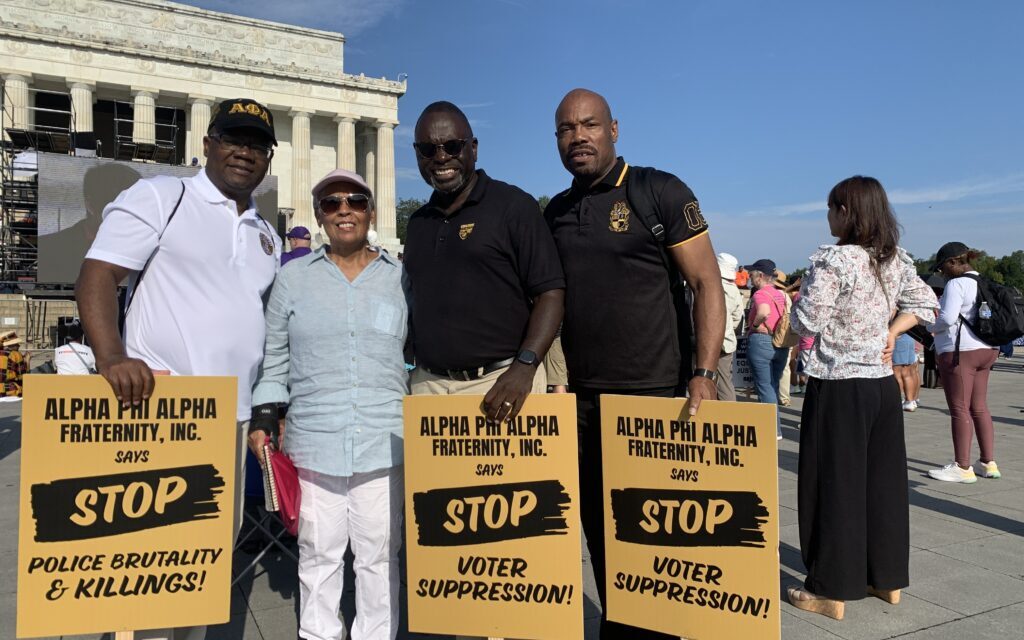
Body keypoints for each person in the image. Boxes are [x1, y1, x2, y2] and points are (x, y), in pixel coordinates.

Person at [76, 98, 281, 640]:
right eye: (233, 138)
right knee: (148, 558)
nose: (245, 152)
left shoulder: (267, 235)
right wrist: (113, 357)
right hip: (163, 411)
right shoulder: (162, 196)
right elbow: (97, 275)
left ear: (269, 158)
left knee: (206, 559)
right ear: (208, 143)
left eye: (257, 144)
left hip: (231, 419)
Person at [545, 88, 725, 639]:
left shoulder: (658, 191)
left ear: (614, 129)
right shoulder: (554, 211)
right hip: (581, 403)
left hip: (654, 396)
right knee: (600, 533)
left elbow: (707, 283)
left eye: (590, 125)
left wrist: (704, 372)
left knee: (653, 540)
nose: (579, 137)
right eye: (566, 129)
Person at [250, 169, 406, 640]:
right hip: (315, 441)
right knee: (319, 554)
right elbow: (273, 357)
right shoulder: (292, 279)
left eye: (355, 201)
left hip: (384, 440)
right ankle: (318, 634)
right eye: (331, 202)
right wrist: (264, 417)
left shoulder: (400, 279)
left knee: (379, 556)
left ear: (370, 212)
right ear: (318, 215)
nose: (344, 210)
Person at [788, 176, 937, 621]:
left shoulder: (835, 260)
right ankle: (885, 577)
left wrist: (791, 316)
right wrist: (890, 332)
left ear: (846, 212)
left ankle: (830, 587)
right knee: (883, 484)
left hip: (838, 385)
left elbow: (808, 320)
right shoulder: (893, 260)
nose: (829, 217)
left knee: (834, 482)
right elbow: (925, 304)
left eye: (832, 208)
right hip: (880, 386)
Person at [403, 101, 564, 421]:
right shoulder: (418, 222)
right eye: (427, 149)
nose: (440, 157)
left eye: (452, 146)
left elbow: (551, 292)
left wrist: (525, 366)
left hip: (501, 383)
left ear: (473, 149)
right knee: (435, 475)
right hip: (429, 385)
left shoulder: (513, 207)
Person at [926, 242, 1001, 483]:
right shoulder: (985, 282)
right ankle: (988, 463)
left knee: (959, 408)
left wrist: (930, 327)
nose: (942, 273)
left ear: (952, 263)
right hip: (988, 348)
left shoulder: (957, 284)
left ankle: (963, 466)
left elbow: (947, 318)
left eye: (942, 268)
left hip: (961, 351)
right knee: (980, 407)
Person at [744, 259, 789, 439]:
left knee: (764, 386)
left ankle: (772, 430)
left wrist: (754, 325)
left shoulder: (760, 293)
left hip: (761, 341)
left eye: (752, 274)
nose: (749, 277)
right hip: (779, 343)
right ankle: (775, 427)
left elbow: (763, 311)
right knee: (773, 385)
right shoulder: (780, 294)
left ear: (761, 276)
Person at [715, 252, 745, 401]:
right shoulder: (734, 290)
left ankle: (726, 414)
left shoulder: (711, 285)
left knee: (711, 381)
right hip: (727, 340)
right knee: (725, 380)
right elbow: (737, 317)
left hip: (708, 341)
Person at [892, 332, 921, 411]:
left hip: (899, 339)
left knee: (896, 373)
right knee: (909, 373)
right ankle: (910, 401)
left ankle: (899, 400)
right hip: (910, 339)